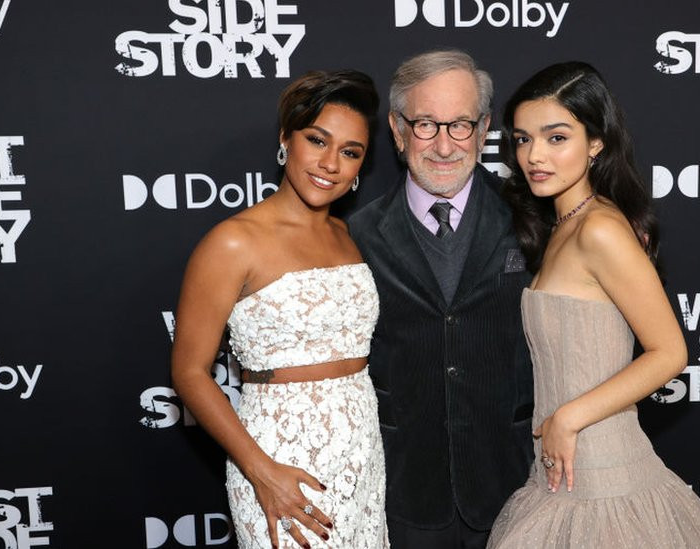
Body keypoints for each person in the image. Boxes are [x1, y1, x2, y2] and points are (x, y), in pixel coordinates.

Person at [487, 62, 700, 548]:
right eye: (522, 139)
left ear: (595, 143)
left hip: (602, 474)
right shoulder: (564, 225)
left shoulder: (600, 229)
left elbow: (669, 353)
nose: (534, 156)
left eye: (556, 138)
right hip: (562, 471)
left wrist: (568, 417)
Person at [170, 70, 388, 549]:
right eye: (317, 140)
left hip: (361, 453)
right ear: (286, 140)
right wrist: (261, 471)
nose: (331, 163)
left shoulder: (345, 236)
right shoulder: (233, 241)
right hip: (278, 457)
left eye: (350, 152)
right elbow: (189, 372)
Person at [347, 50, 534, 548]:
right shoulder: (355, 235)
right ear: (398, 128)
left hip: (516, 478)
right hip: (406, 485)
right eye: (427, 124)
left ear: (485, 127)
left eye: (461, 125)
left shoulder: (533, 220)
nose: (446, 145)